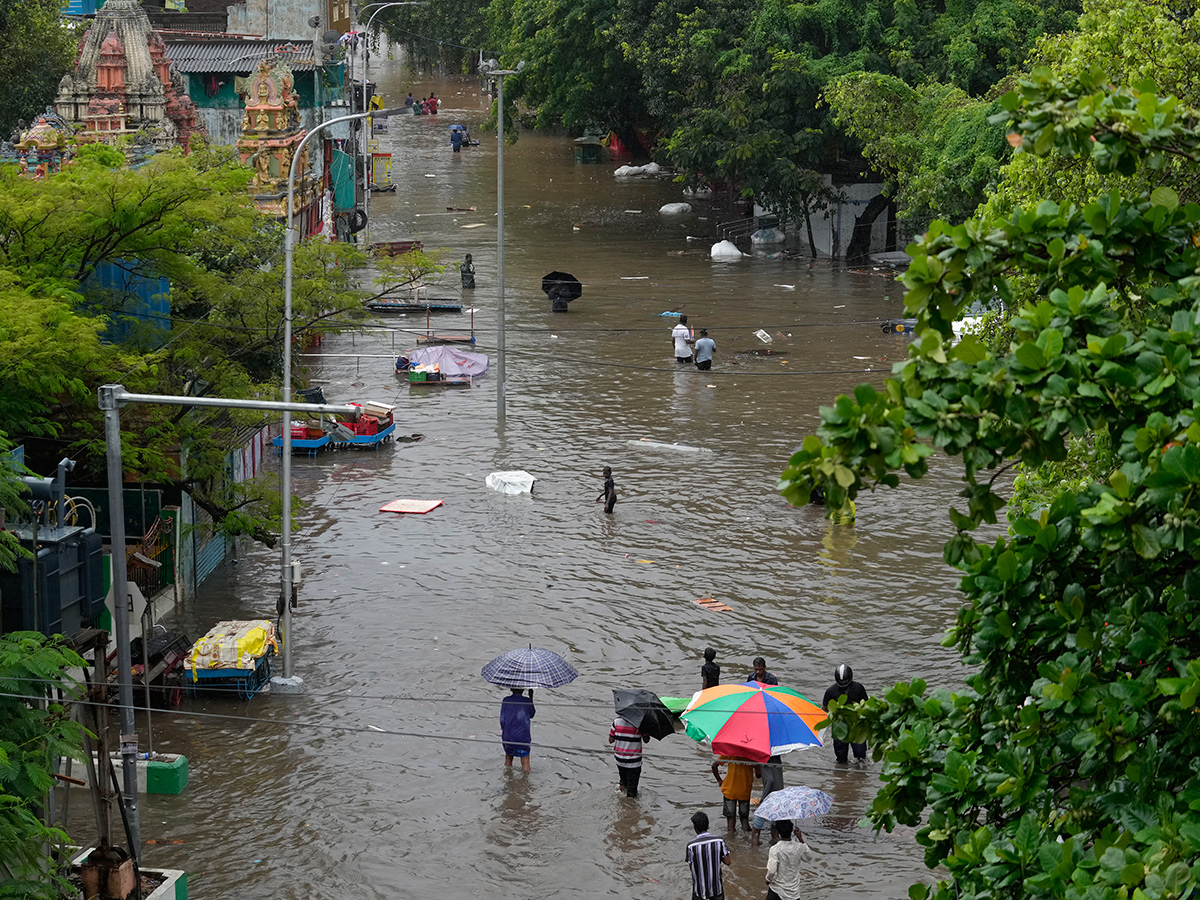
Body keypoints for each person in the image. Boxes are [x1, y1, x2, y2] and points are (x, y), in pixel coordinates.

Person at [822, 664, 869, 763]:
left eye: (845, 681)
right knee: (840, 756)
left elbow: (866, 704)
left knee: (860, 756)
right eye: (841, 681)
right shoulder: (830, 691)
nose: (843, 683)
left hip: (856, 726)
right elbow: (825, 708)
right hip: (839, 726)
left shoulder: (858, 688)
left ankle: (860, 776)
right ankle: (841, 776)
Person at [686, 811, 730, 900]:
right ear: (707, 825)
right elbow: (728, 862)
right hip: (716, 890)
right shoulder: (719, 841)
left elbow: (692, 868)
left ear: (695, 828)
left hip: (699, 891)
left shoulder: (691, 846)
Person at [764, 820, 812, 900]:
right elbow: (809, 857)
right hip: (793, 893)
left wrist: (768, 880)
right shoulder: (799, 847)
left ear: (778, 833)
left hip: (777, 890)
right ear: (792, 831)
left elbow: (772, 870)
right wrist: (800, 838)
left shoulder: (775, 849)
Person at [712, 755, 759, 833]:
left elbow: (714, 766)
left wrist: (719, 780)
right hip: (744, 791)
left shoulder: (729, 752)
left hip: (730, 790)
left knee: (731, 821)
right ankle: (746, 840)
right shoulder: (752, 755)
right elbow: (758, 775)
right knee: (744, 820)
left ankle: (731, 840)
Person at [608, 713, 650, 797]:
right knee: (632, 789)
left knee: (623, 780)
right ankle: (630, 806)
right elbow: (646, 740)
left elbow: (610, 740)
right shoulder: (639, 723)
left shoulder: (616, 721)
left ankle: (621, 798)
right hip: (634, 761)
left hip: (619, 759)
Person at [750, 754, 784, 845]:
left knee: (756, 829)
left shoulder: (763, 757)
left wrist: (763, 799)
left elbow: (769, 780)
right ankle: (775, 844)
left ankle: (754, 851)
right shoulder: (777, 756)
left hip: (769, 797)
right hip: (779, 795)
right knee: (775, 826)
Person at [500, 688, 535, 770]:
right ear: (523, 689)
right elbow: (532, 714)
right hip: (522, 737)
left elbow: (502, 720)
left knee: (508, 757)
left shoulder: (506, 700)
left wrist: (505, 732)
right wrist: (531, 697)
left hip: (508, 736)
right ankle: (525, 781)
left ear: (511, 688)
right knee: (525, 761)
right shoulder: (527, 701)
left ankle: (508, 777)